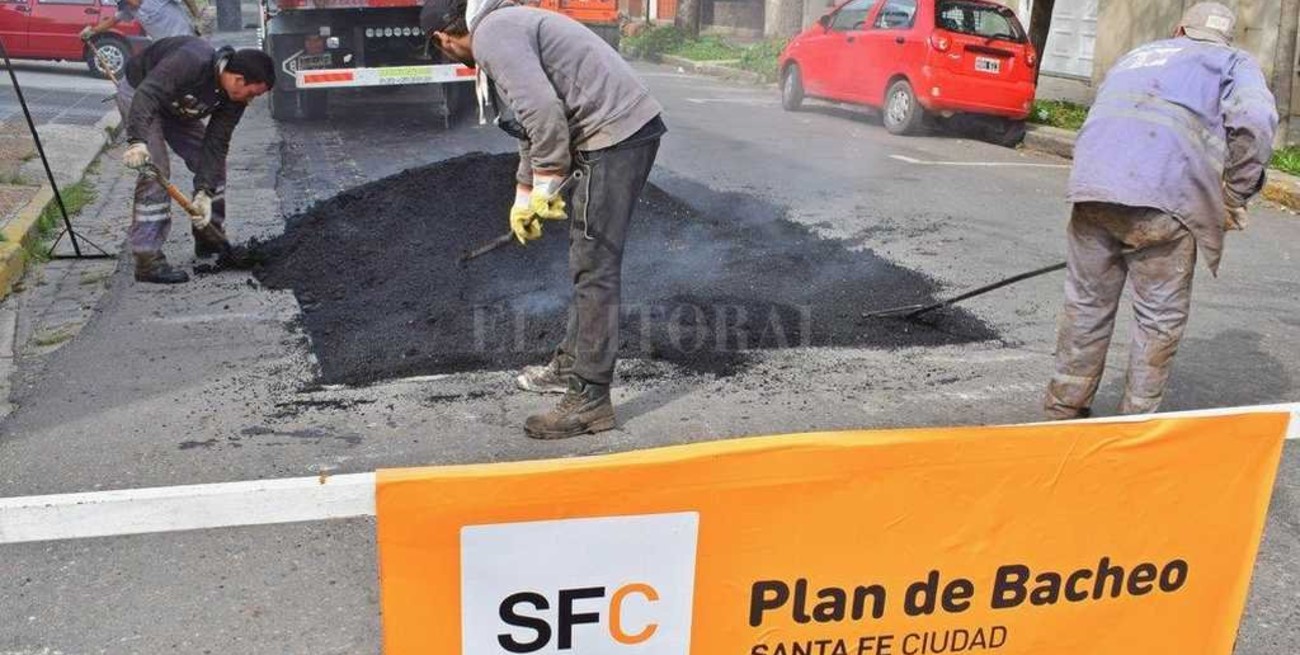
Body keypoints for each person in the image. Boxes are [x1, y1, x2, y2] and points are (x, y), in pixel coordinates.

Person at [422, 0, 666, 439]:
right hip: (613, 131)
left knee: (595, 266)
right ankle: (571, 364)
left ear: (443, 38)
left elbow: (544, 114)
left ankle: (590, 399)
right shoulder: (501, 26)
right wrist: (523, 196)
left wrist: (548, 182)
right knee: (584, 256)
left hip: (616, 135)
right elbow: (527, 125)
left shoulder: (492, 34)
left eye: (441, 51)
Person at [1044, 2, 1277, 419]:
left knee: (1086, 304)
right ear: (1224, 39)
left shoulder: (1139, 53)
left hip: (1092, 187)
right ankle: (1134, 425)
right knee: (1158, 319)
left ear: (1179, 30)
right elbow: (1256, 119)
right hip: (1164, 201)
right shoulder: (1232, 61)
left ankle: (1064, 410)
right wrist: (1236, 194)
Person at [117, 36, 275, 284]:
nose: (249, 100)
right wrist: (137, 141)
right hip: (141, 94)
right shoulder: (192, 60)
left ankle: (210, 236)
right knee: (155, 170)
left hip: (177, 106)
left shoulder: (234, 98)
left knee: (213, 166)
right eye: (252, 93)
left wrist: (204, 192)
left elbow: (216, 144)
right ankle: (147, 260)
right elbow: (149, 94)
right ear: (238, 80)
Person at [81, 0, 200, 43]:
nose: (129, 4)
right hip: (165, 47)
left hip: (186, 40)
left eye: (128, 1)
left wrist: (198, 18)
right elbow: (113, 21)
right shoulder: (130, 9)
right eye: (125, 3)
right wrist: (92, 31)